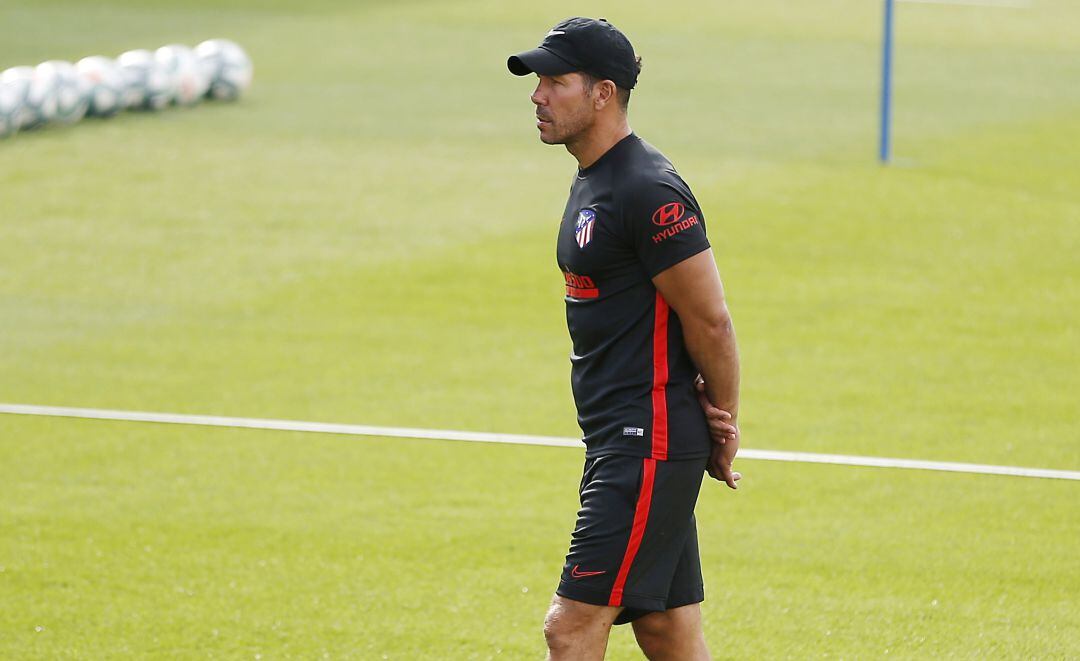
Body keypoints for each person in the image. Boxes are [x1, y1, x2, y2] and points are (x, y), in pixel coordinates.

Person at [507, 17, 743, 661]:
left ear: (603, 93)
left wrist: (724, 419)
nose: (537, 95)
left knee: (570, 625)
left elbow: (711, 319)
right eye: (537, 82)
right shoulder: (596, 179)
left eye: (556, 81)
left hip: (647, 440)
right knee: (665, 629)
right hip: (626, 437)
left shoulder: (647, 189)